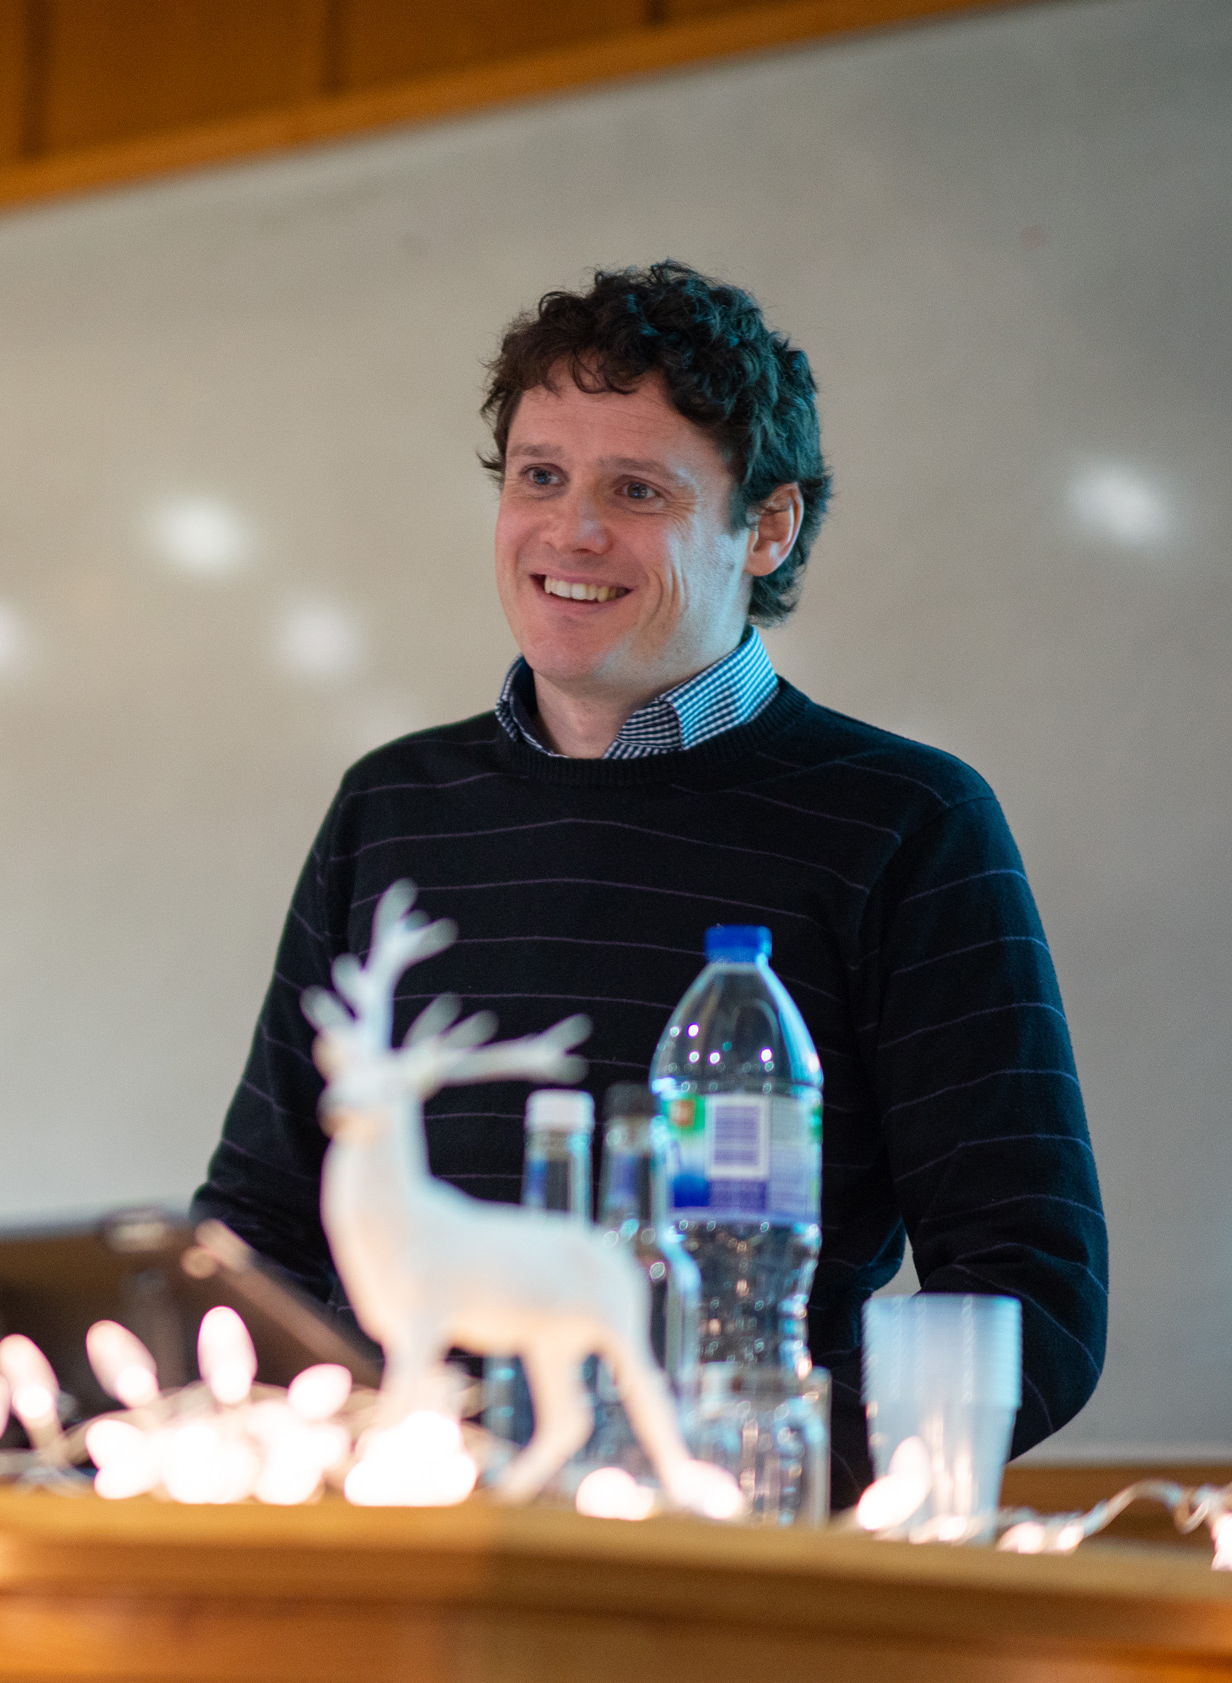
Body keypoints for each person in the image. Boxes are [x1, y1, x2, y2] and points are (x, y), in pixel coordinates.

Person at [193, 261, 1108, 1503]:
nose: (570, 532)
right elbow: (260, 1229)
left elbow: (1027, 1285)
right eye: (539, 477)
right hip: (398, 1549)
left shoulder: (907, 821)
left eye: (636, 491)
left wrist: (746, 1490)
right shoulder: (391, 805)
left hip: (722, 1572)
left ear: (766, 528)